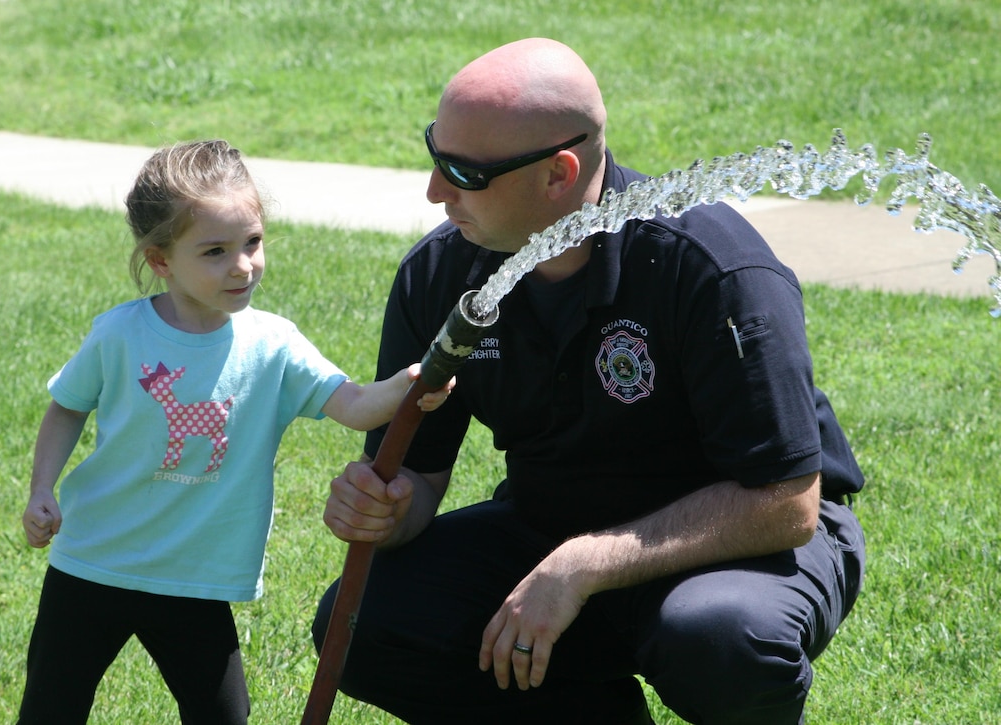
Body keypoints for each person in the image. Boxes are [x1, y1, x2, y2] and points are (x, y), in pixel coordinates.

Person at [311, 38, 865, 724]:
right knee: (364, 618)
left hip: (740, 547)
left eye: (461, 171)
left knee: (719, 639)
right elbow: (419, 478)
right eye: (434, 153)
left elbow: (785, 503)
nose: (435, 191)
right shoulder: (441, 278)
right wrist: (391, 508)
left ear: (558, 173)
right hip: (552, 528)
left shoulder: (709, 267)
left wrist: (584, 565)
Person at [16, 139, 451, 724]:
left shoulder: (272, 345)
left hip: (196, 574)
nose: (243, 265)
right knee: (50, 709)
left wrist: (407, 385)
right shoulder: (120, 336)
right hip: (94, 562)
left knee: (223, 716)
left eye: (252, 242)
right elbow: (67, 406)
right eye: (216, 251)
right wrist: (43, 488)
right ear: (162, 260)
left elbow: (352, 404)